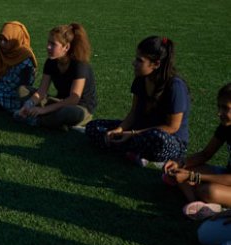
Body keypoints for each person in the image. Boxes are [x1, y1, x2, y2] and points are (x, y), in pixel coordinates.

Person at [86, 36, 190, 167]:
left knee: (157, 138)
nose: (134, 63)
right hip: (137, 131)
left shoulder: (175, 86)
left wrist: (133, 133)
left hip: (167, 139)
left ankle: (131, 150)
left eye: (139, 60)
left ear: (156, 64)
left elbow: (172, 127)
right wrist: (119, 129)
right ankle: (133, 151)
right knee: (93, 127)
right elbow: (133, 113)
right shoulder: (140, 79)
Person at [163, 83, 231, 220]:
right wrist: (180, 163)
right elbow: (205, 154)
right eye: (219, 107)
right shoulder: (226, 126)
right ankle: (198, 205)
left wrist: (192, 176)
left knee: (209, 191)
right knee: (182, 170)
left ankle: (204, 203)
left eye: (225, 108)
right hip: (226, 175)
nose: (219, 113)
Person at [16, 23, 96, 129]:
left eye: (53, 44)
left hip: (80, 108)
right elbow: (41, 92)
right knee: (23, 90)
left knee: (66, 112)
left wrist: (43, 110)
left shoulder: (79, 65)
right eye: (48, 42)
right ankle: (46, 118)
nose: (48, 47)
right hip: (60, 102)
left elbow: (73, 99)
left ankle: (38, 121)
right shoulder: (51, 62)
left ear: (66, 47)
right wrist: (29, 104)